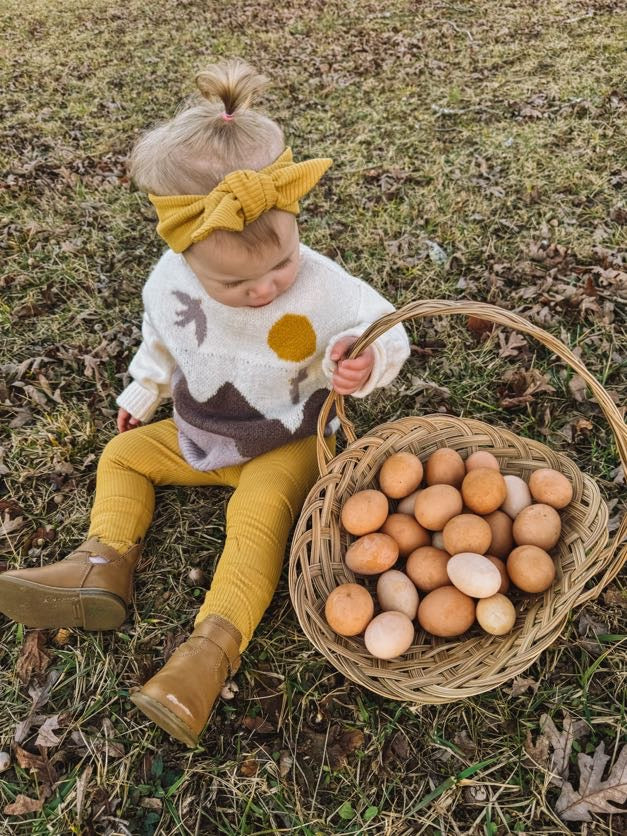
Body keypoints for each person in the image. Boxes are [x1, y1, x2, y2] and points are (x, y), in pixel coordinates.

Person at [0, 59, 410, 747]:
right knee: (124, 455)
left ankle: (208, 653)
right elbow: (160, 339)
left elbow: (383, 324)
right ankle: (103, 560)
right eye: (235, 279)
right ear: (184, 250)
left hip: (287, 439)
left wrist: (365, 361)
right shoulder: (170, 281)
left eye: (279, 265)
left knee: (256, 524)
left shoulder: (323, 285)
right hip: (202, 431)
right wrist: (142, 390)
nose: (264, 288)